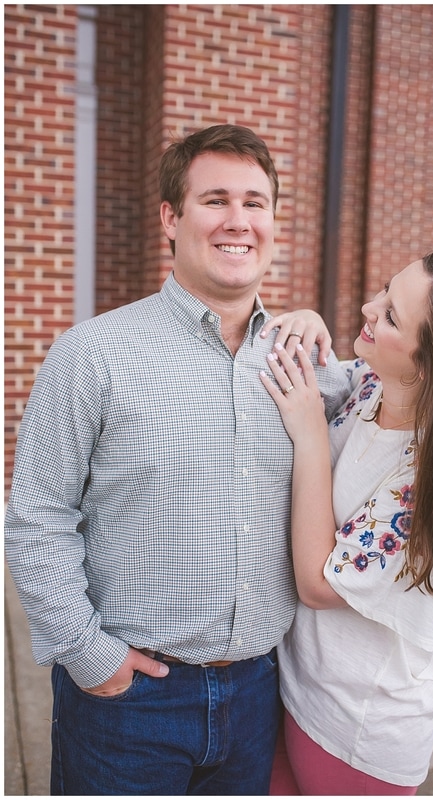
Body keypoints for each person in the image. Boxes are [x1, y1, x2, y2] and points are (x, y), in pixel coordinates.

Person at [5, 124, 350, 795]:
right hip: (127, 704)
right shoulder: (93, 354)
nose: (238, 221)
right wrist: (88, 656)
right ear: (171, 216)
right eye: (215, 200)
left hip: (259, 695)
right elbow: (37, 519)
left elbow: (403, 409)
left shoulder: (305, 363)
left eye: (255, 202)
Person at [257, 251, 433, 794]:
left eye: (393, 316)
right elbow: (317, 377)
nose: (368, 307)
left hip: (357, 730)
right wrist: (307, 321)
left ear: (431, 363)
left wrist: (310, 433)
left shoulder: (429, 481)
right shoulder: (373, 384)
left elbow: (317, 583)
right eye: (384, 291)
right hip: (294, 688)